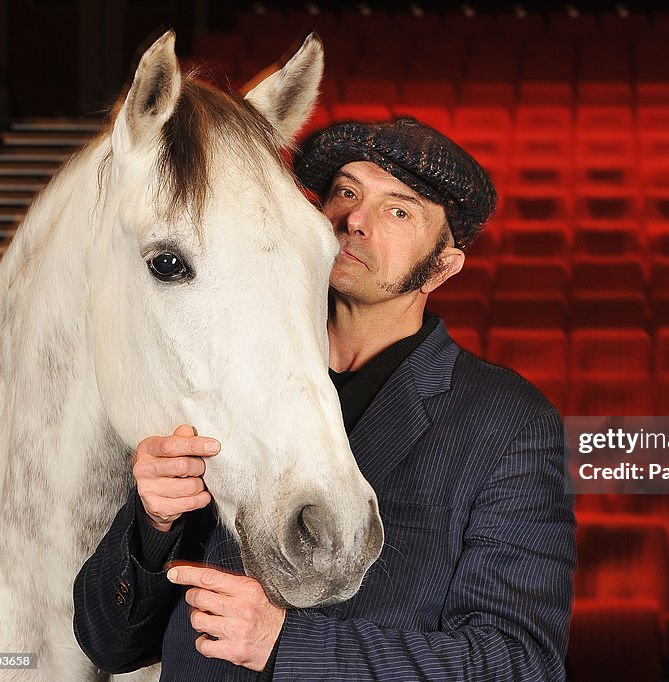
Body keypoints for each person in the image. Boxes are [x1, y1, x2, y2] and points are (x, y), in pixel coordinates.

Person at [73, 117, 576, 680]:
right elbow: (110, 646)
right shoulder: (222, 375)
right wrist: (154, 525)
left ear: (441, 267)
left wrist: (286, 645)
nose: (356, 220)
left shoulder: (510, 424)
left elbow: (520, 664)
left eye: (399, 211)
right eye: (346, 192)